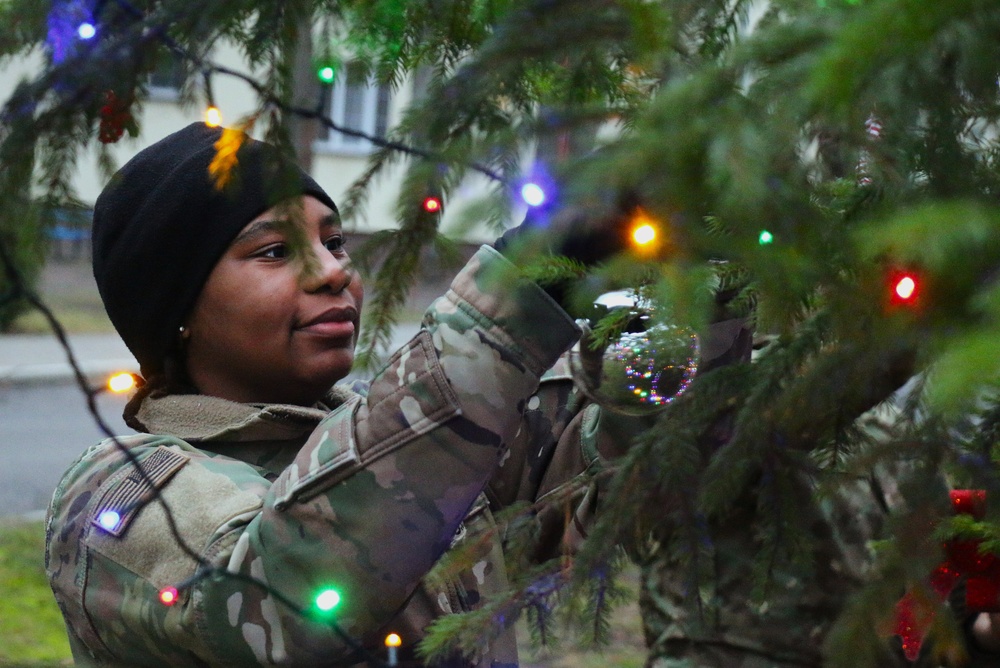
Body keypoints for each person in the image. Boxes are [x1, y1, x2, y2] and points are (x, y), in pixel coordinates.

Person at [45, 122, 750, 667]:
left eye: (335, 242)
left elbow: (652, 476)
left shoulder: (434, 451)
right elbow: (277, 604)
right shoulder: (118, 491)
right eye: (273, 251)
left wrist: (698, 292)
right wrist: (517, 288)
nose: (334, 274)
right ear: (179, 310)